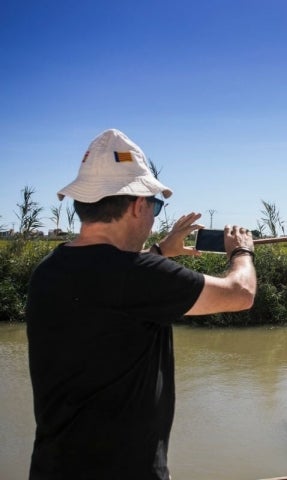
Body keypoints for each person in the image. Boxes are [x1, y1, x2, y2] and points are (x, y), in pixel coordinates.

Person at [25, 129, 257, 480]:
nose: (153, 219)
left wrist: (162, 251)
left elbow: (111, 283)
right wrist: (241, 251)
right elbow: (240, 293)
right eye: (155, 206)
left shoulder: (50, 270)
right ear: (136, 205)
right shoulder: (138, 276)